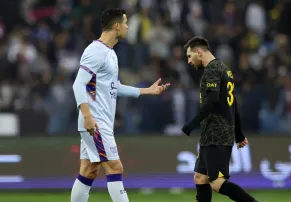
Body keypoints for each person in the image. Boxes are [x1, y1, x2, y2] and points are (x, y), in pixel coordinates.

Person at [71, 8, 170, 202]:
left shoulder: (110, 53)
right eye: (125, 23)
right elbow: (78, 84)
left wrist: (146, 91)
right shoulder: (95, 51)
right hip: (95, 122)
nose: (126, 27)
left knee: (89, 171)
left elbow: (113, 87)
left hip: (98, 121)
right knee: (115, 168)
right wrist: (88, 116)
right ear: (116, 26)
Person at [181, 36, 258, 202]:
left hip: (217, 134)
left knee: (217, 183)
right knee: (200, 178)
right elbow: (233, 104)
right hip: (213, 133)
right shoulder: (225, 69)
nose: (188, 61)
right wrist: (239, 134)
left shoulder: (212, 70)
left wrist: (191, 124)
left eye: (189, 56)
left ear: (199, 52)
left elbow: (212, 100)